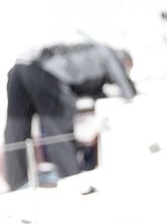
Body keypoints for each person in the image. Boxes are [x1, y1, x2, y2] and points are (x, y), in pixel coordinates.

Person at [3, 41, 135, 190]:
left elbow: (83, 84)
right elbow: (127, 89)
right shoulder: (108, 53)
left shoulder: (87, 55)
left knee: (16, 129)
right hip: (45, 72)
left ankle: (16, 185)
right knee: (58, 132)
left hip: (19, 69)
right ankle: (73, 182)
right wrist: (133, 94)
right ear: (124, 60)